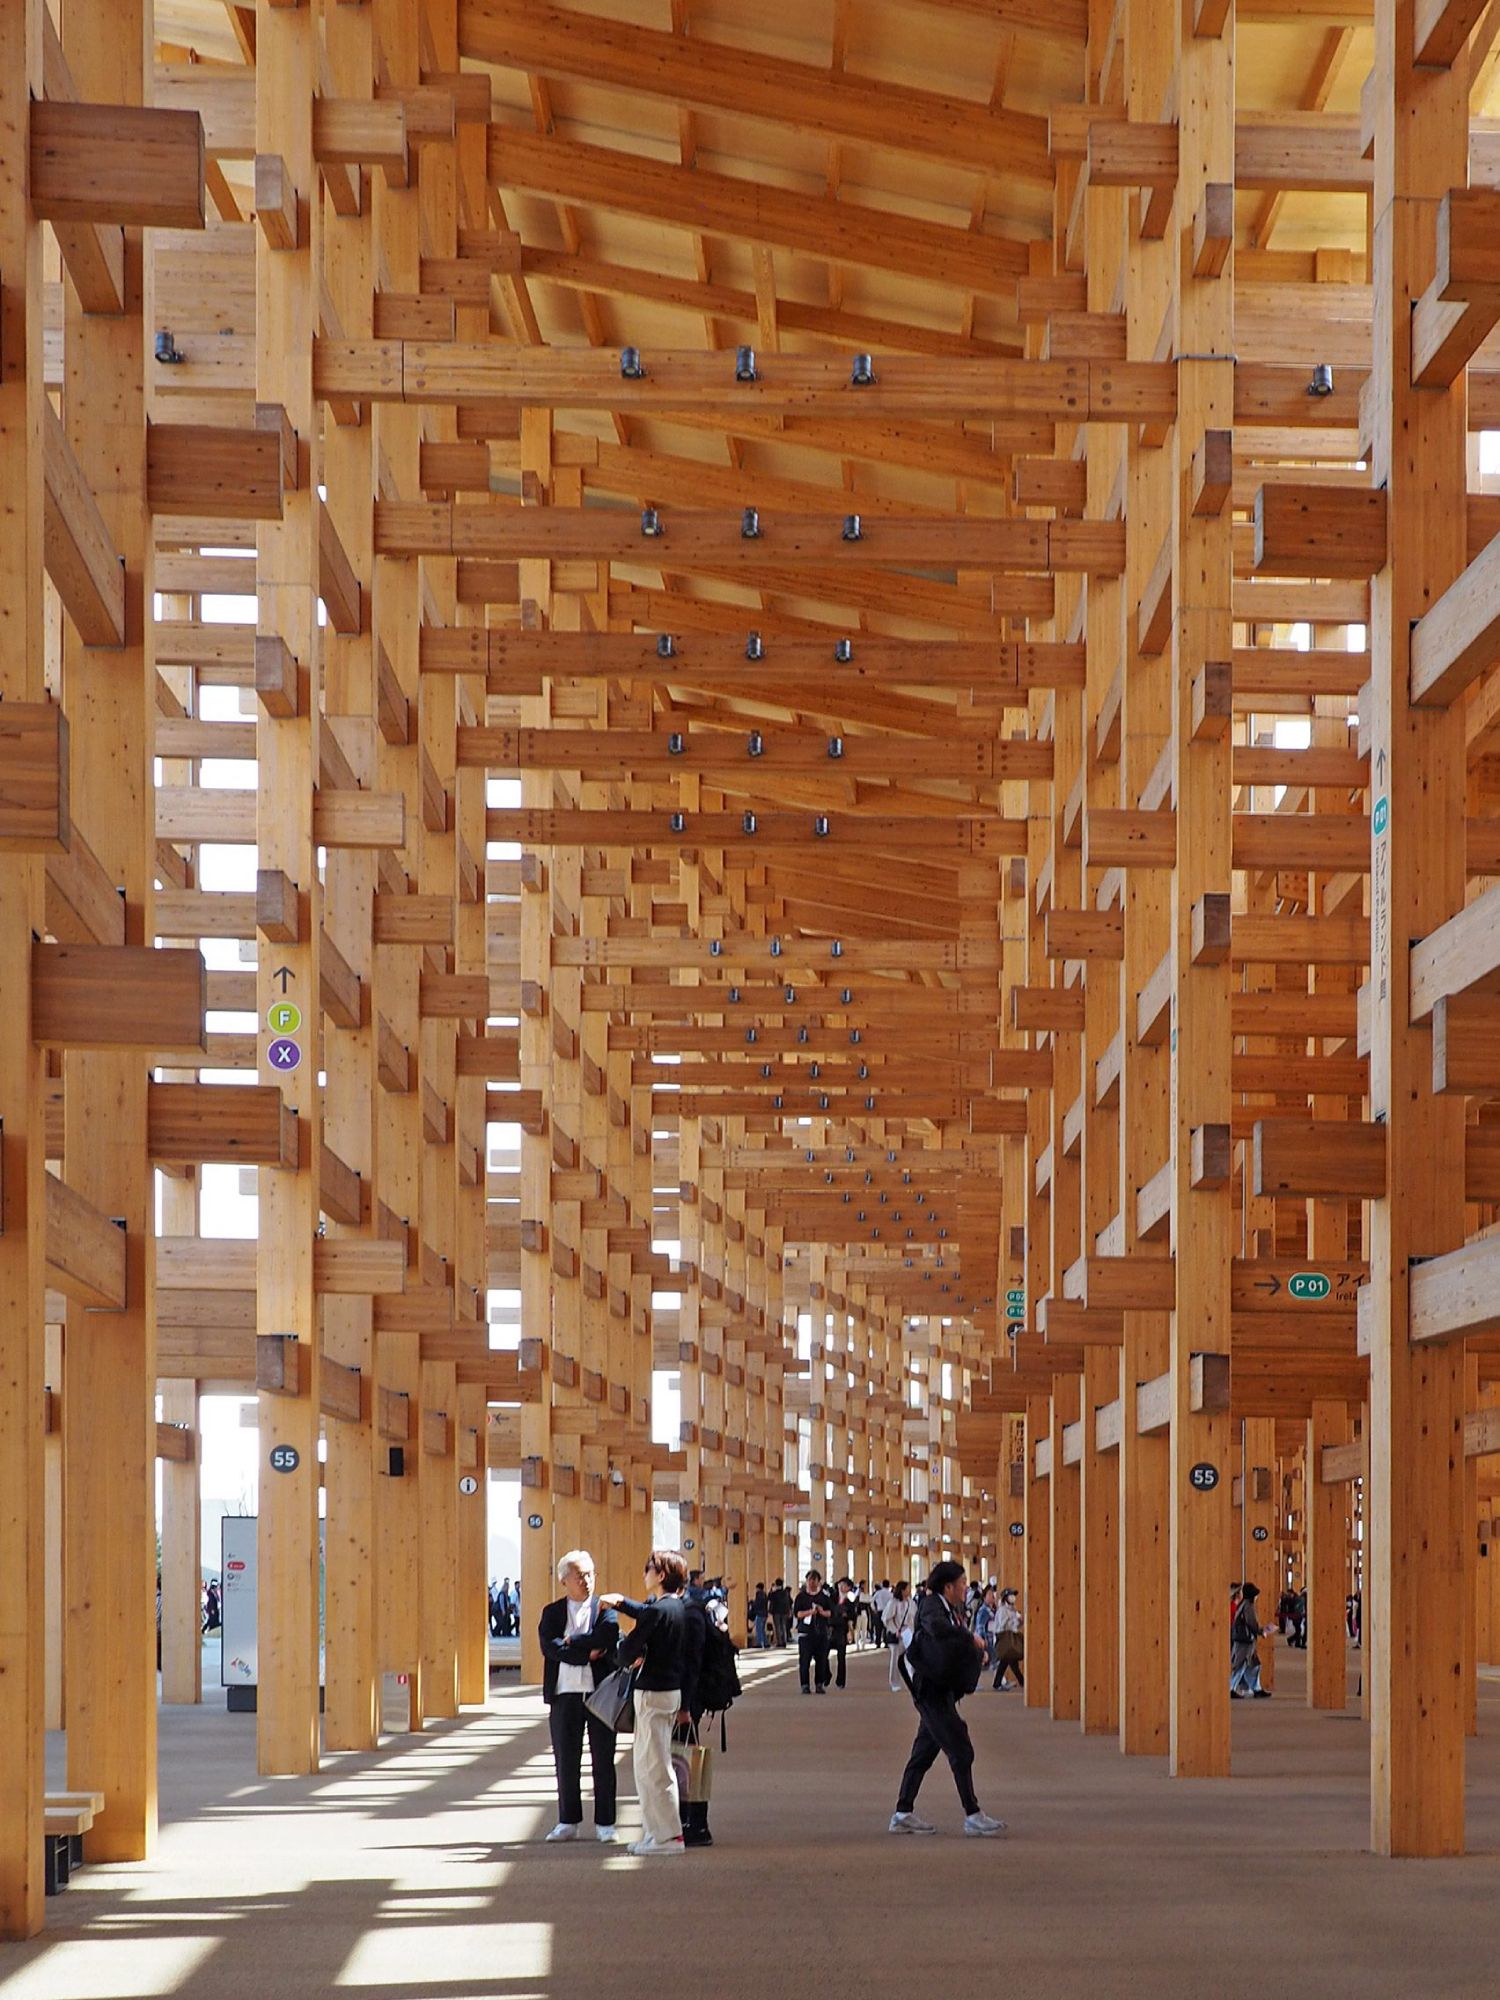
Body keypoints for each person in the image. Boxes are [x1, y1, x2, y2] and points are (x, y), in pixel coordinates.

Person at [889, 1560, 1005, 1838]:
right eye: (962, 1582)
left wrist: (975, 1653)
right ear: (948, 1586)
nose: (966, 1587)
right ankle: (973, 1815)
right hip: (931, 1692)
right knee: (961, 1749)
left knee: (922, 1754)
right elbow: (938, 1630)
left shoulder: (952, 1609)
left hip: (942, 1690)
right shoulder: (932, 1606)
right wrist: (970, 1639)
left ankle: (902, 1813)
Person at [601, 1549, 703, 1856]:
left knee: (653, 1768)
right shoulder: (679, 1608)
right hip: (669, 1692)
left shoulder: (658, 1611)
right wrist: (622, 1603)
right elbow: (647, 1615)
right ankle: (654, 1832)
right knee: (650, 1765)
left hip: (652, 1693)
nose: (644, 1573)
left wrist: (625, 1649)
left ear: (661, 1575)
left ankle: (667, 1837)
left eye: (649, 1569)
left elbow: (625, 1652)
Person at [538, 1549, 620, 1844]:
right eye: (579, 1576)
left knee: (603, 1759)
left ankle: (606, 1822)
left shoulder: (604, 1609)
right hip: (564, 1695)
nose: (586, 1581)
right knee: (566, 1759)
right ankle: (568, 1821)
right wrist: (585, 1654)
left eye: (590, 1574)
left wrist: (571, 1642)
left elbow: (606, 1637)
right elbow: (550, 1647)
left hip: (600, 1694)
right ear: (564, 1581)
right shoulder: (552, 1612)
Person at [1231, 1581, 1274, 1699]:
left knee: (1254, 1665)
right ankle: (1231, 1687)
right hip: (1245, 1640)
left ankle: (1256, 1688)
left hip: (1244, 1639)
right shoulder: (1248, 1606)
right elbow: (1252, 1623)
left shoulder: (1242, 1604)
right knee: (1241, 1664)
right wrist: (1261, 1631)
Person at [794, 1569, 833, 1694]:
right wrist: (810, 1612)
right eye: (809, 1580)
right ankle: (804, 1685)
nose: (811, 1583)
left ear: (818, 1582)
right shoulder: (801, 1597)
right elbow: (797, 1614)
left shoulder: (824, 1597)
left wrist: (821, 1612)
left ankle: (819, 1684)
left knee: (821, 1660)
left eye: (814, 1580)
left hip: (821, 1633)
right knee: (804, 1660)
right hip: (805, 1633)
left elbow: (830, 1613)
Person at [883, 1578, 916, 1691]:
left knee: (911, 1657)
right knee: (895, 1659)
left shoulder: (911, 1603)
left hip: (908, 1633)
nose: (909, 1591)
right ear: (902, 1590)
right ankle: (894, 1682)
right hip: (897, 1633)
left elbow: (914, 1618)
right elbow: (886, 1618)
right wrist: (895, 1630)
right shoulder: (893, 1603)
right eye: (907, 1588)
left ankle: (913, 1679)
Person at [991, 1588, 1024, 1690]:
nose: (1013, 1597)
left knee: (1007, 1661)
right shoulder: (1002, 1610)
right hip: (1004, 1638)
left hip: (1009, 1638)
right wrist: (1014, 1619)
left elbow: (1014, 1626)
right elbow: (1003, 1625)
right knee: (1009, 1660)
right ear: (1005, 1598)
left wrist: (1020, 1622)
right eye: (1011, 1595)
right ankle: (1022, 1681)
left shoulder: (1012, 1610)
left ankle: (998, 1683)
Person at [831, 1579, 857, 1688]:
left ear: (849, 1588)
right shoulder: (832, 1598)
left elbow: (852, 1616)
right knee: (822, 1654)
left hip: (842, 1630)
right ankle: (826, 1674)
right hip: (830, 1629)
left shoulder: (850, 1601)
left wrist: (851, 1632)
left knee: (841, 1657)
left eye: (844, 1585)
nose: (841, 1587)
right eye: (840, 1584)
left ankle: (841, 1681)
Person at [768, 1577, 793, 1648]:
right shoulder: (785, 1592)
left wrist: (771, 1590)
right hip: (784, 1612)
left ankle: (779, 1642)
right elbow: (788, 1602)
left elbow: (769, 1598)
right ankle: (784, 1641)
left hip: (776, 1612)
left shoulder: (774, 1593)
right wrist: (789, 1611)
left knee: (778, 1627)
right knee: (783, 1626)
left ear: (776, 1584)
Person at [750, 1582, 769, 1650]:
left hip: (760, 1614)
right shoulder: (765, 1594)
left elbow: (757, 1604)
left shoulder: (758, 1594)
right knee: (762, 1629)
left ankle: (759, 1643)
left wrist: (752, 1603)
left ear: (758, 1588)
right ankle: (766, 1643)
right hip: (765, 1614)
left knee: (758, 1629)